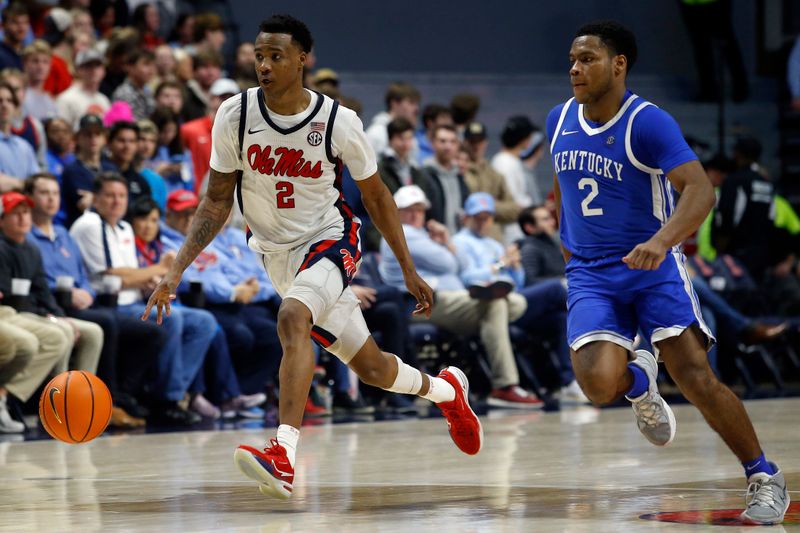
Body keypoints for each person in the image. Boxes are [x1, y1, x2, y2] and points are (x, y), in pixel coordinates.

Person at [142, 14, 483, 500]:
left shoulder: (336, 121)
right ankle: (448, 392)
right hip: (277, 257)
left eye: (276, 56)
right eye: (259, 55)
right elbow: (216, 202)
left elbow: (378, 196)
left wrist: (409, 269)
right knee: (373, 369)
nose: (264, 65)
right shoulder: (234, 116)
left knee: (292, 316)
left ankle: (283, 455)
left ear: (303, 59)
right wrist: (175, 270)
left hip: (331, 239)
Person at [548, 20, 787, 524]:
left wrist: (661, 242)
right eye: (572, 58)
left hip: (652, 266)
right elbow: (562, 185)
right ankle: (639, 380)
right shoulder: (559, 118)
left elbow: (701, 190)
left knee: (697, 377)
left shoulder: (648, 122)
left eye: (587, 58)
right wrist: (567, 244)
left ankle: (764, 476)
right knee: (595, 385)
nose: (574, 68)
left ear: (619, 64)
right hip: (591, 272)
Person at [70, 172, 214, 426]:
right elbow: (114, 276)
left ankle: (176, 392)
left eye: (122, 196)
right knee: (172, 317)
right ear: (96, 199)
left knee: (204, 322)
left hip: (135, 299)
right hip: (109, 302)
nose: (117, 201)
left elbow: (131, 273)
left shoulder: (124, 226)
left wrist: (147, 280)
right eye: (110, 195)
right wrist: (160, 269)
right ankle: (165, 401)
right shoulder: (90, 224)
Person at [381, 186, 541, 408]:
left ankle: (498, 382)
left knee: (514, 302)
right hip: (424, 304)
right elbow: (451, 264)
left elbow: (461, 265)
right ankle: (504, 386)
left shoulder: (425, 236)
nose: (416, 214)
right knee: (495, 304)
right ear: (397, 212)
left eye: (420, 209)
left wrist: (446, 242)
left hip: (449, 300)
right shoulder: (402, 233)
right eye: (409, 210)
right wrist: (447, 245)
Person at [25, 173, 164, 427]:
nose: (51, 199)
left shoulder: (62, 233)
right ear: (30, 199)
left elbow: (83, 274)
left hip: (83, 302)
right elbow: (37, 278)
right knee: (106, 321)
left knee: (152, 331)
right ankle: (104, 402)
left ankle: (121, 397)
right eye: (44, 193)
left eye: (55, 193)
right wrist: (67, 290)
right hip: (52, 305)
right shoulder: (29, 236)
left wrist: (85, 290)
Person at [0, 79, 39, 192]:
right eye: (0, 100)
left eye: (10, 100)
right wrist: (24, 183)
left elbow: (36, 184)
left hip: (23, 207)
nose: (5, 105)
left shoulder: (24, 147)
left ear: (16, 108)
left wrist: (14, 183)